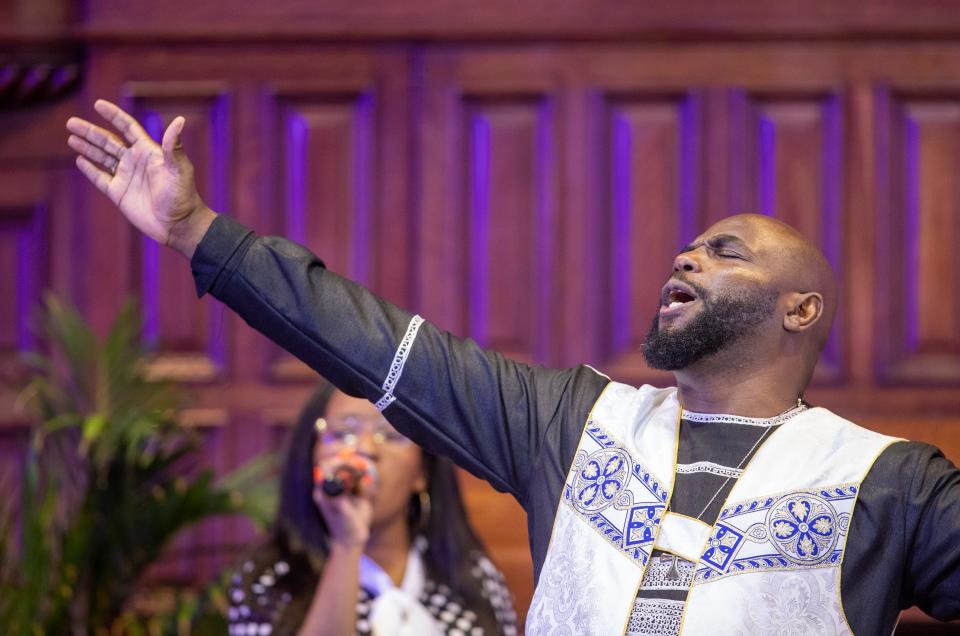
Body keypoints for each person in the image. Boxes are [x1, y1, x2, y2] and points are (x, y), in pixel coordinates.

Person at [66, 100, 960, 635]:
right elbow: (370, 341)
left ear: (799, 310)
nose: (685, 259)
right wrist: (194, 231)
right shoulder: (574, 423)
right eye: (685, 247)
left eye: (724, 252)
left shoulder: (888, 485)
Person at [227, 381, 518, 636]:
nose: (365, 449)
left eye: (390, 435)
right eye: (343, 433)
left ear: (422, 474)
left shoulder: (470, 575)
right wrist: (347, 544)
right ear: (313, 455)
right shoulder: (271, 577)